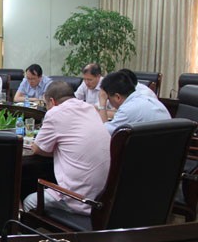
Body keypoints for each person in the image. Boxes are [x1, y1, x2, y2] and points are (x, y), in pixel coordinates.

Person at [23, 81, 111, 215]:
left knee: (29, 201)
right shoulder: (90, 108)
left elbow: (37, 148)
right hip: (105, 198)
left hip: (81, 200)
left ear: (52, 101)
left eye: (46, 105)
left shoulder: (55, 112)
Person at [98, 71, 170, 135]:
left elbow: (104, 134)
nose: (108, 102)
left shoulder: (127, 109)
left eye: (108, 99)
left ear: (117, 97)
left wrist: (102, 103)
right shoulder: (149, 99)